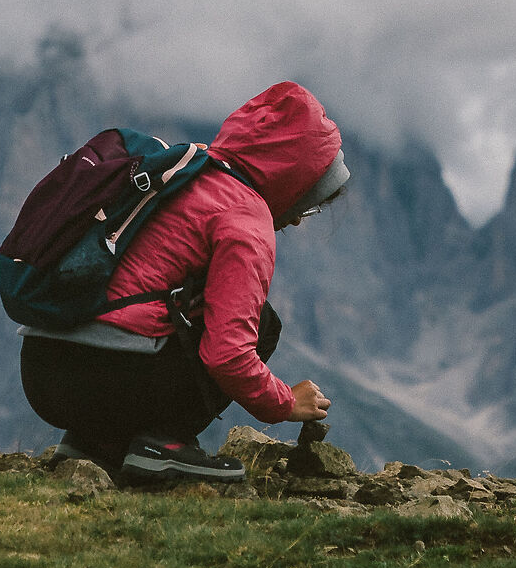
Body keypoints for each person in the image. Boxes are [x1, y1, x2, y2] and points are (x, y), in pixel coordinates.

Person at [19, 81, 346, 487]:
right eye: (307, 199)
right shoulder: (246, 216)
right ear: (292, 178)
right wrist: (285, 402)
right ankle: (163, 444)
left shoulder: (184, 170)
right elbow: (228, 355)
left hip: (40, 370)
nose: (298, 217)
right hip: (104, 381)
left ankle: (94, 442)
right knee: (263, 324)